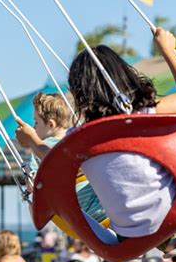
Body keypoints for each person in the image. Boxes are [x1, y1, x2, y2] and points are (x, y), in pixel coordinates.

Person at [66, 27, 176, 253]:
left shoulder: (76, 139)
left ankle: (170, 241)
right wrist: (168, 50)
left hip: (129, 237)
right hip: (175, 211)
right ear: (123, 76)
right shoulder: (142, 116)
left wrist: (33, 143)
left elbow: (53, 163)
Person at [15, 92, 107, 224]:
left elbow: (32, 185)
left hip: (84, 219)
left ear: (51, 124)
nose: (34, 127)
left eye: (36, 122)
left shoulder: (40, 149)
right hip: (106, 209)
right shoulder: (79, 140)